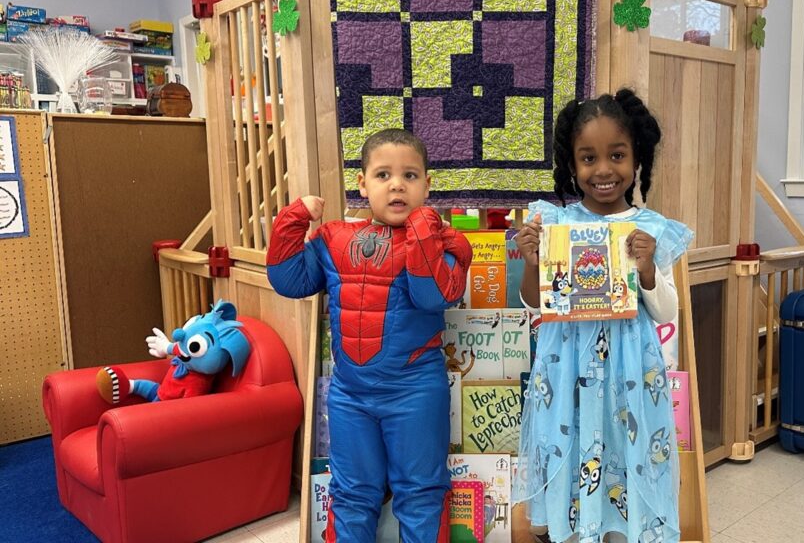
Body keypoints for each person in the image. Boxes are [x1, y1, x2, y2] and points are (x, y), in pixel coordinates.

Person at [266, 128, 472, 542]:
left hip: (414, 390)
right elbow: (289, 280)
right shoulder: (333, 238)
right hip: (351, 394)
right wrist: (294, 218)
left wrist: (422, 232)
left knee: (421, 493)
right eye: (383, 175)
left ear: (427, 185)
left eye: (410, 176)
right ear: (361, 183)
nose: (397, 184)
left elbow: (431, 296)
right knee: (352, 493)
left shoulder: (444, 240)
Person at [512, 89, 693, 543]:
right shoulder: (552, 223)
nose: (604, 170)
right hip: (567, 372)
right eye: (588, 158)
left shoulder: (650, 228)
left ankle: (618, 532)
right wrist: (533, 261)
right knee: (571, 454)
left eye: (617, 155)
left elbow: (667, 311)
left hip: (629, 373)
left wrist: (648, 268)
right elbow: (534, 304)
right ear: (572, 166)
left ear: (637, 160)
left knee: (626, 452)